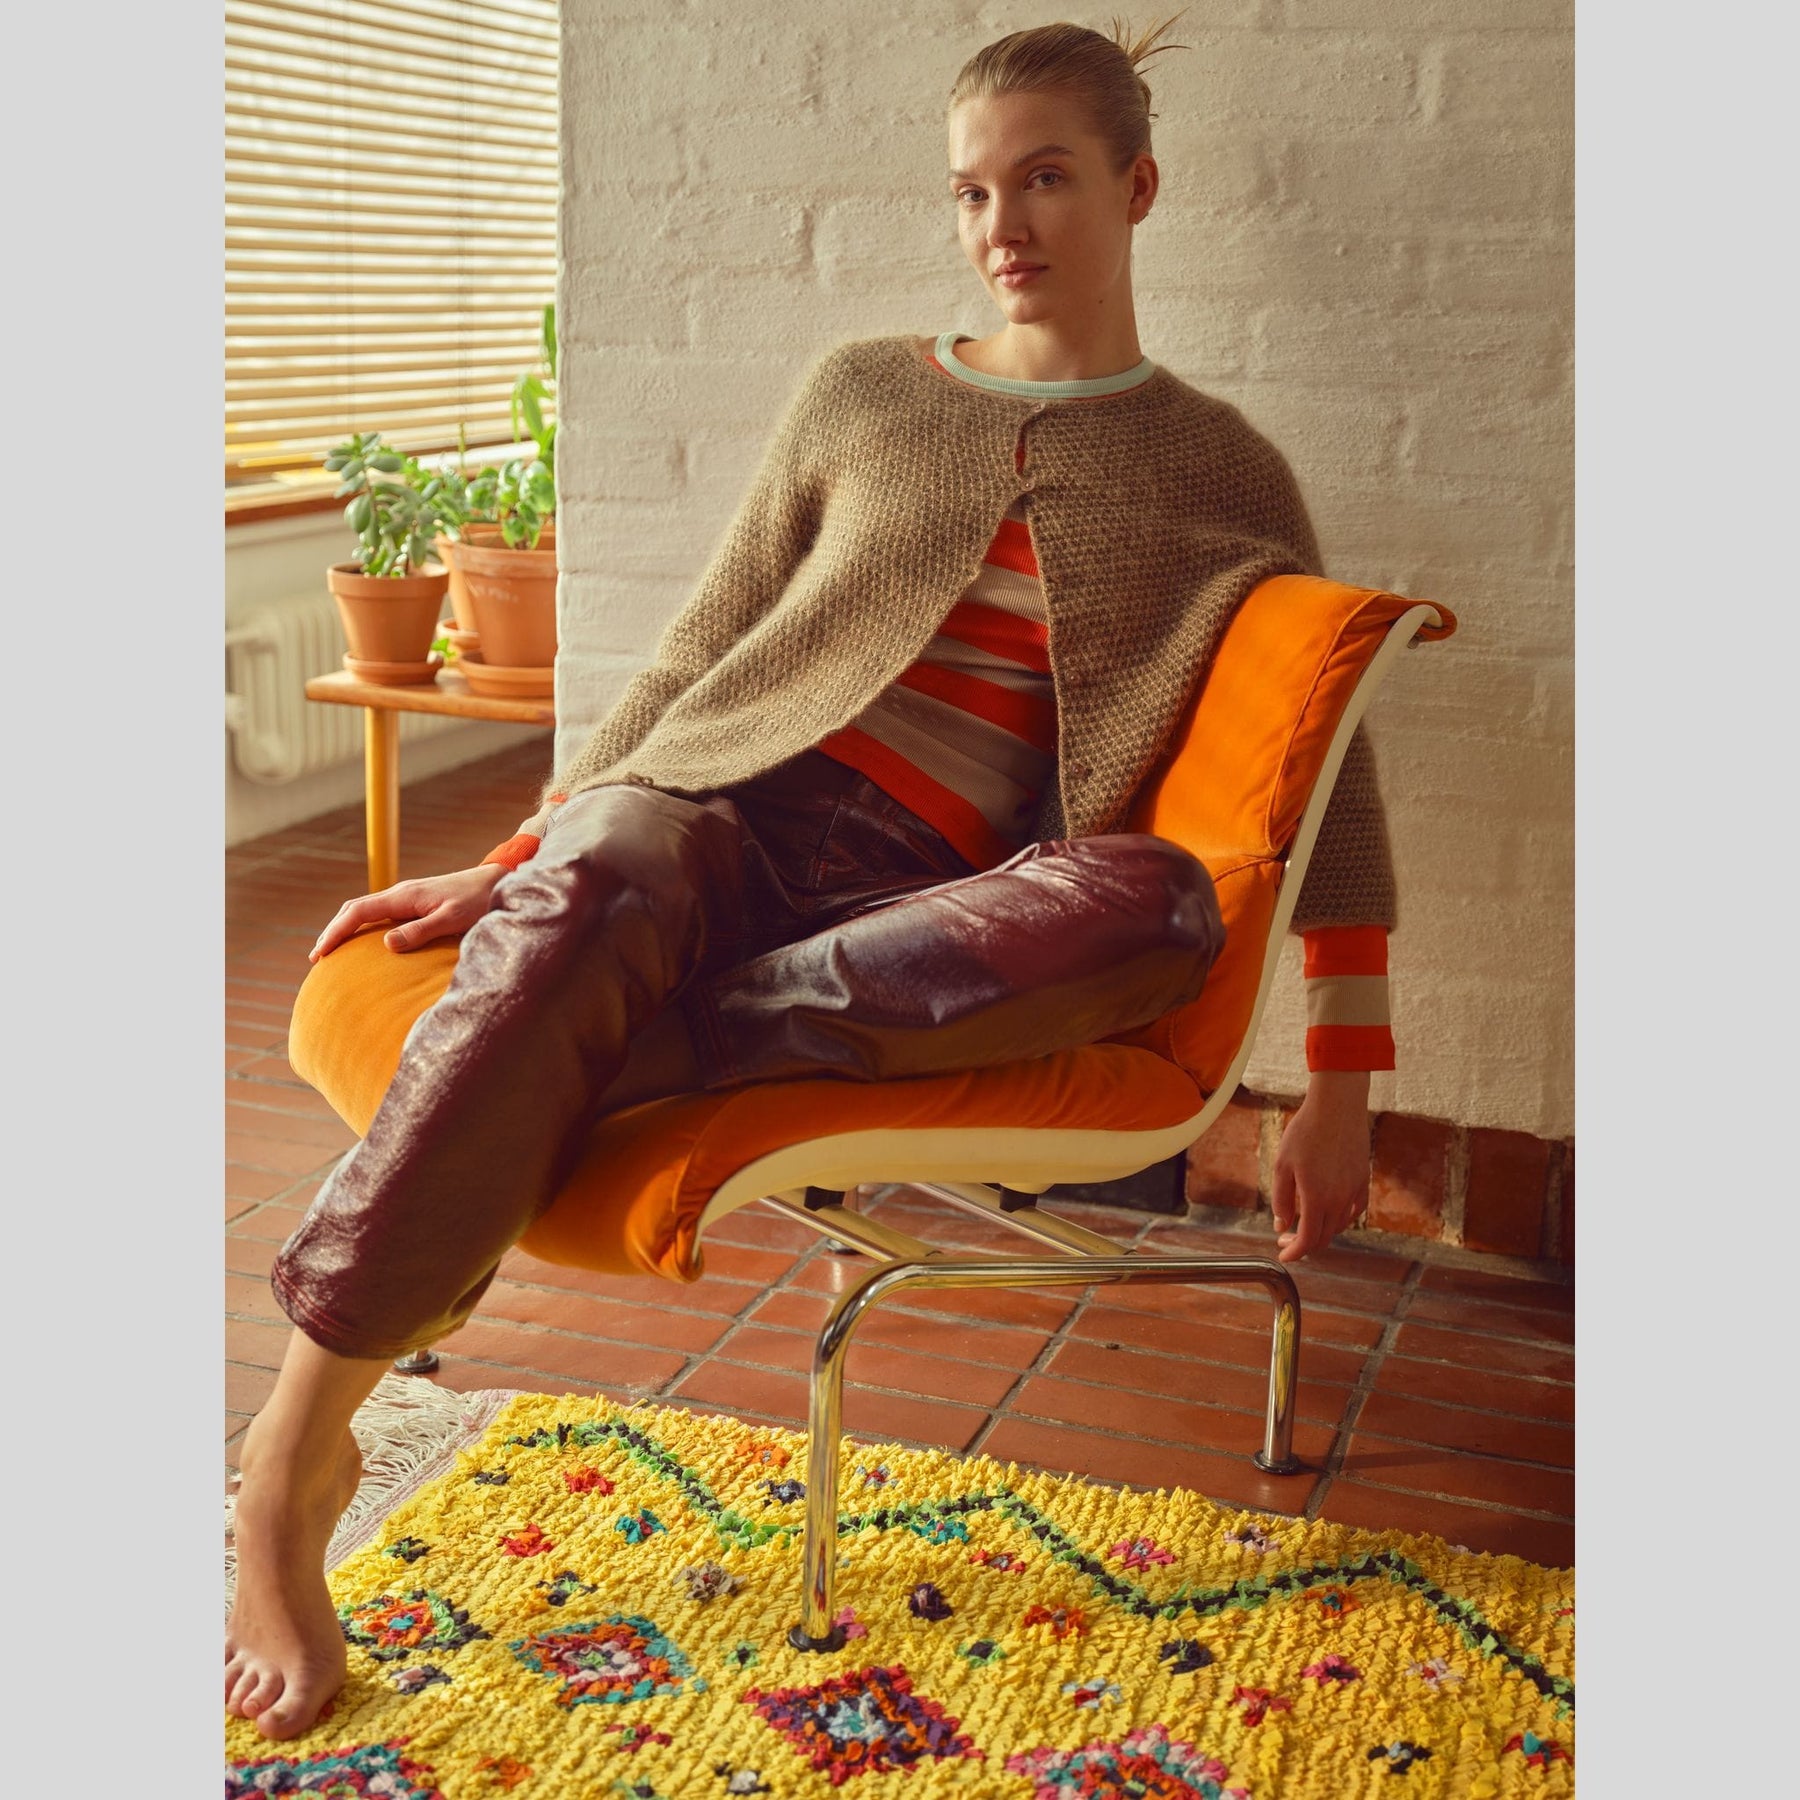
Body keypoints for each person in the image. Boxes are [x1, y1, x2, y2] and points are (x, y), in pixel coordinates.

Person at [225, 12, 1400, 1741]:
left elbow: (1330, 774)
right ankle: (288, 1458)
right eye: (973, 190)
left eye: (1047, 178)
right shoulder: (864, 392)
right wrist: (519, 858)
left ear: (1138, 187)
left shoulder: (1222, 469)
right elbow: (701, 642)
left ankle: (595, 1039)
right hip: (721, 824)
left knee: (1161, 904)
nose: (1004, 224)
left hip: (938, 912)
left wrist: (1346, 1077)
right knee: (609, 868)